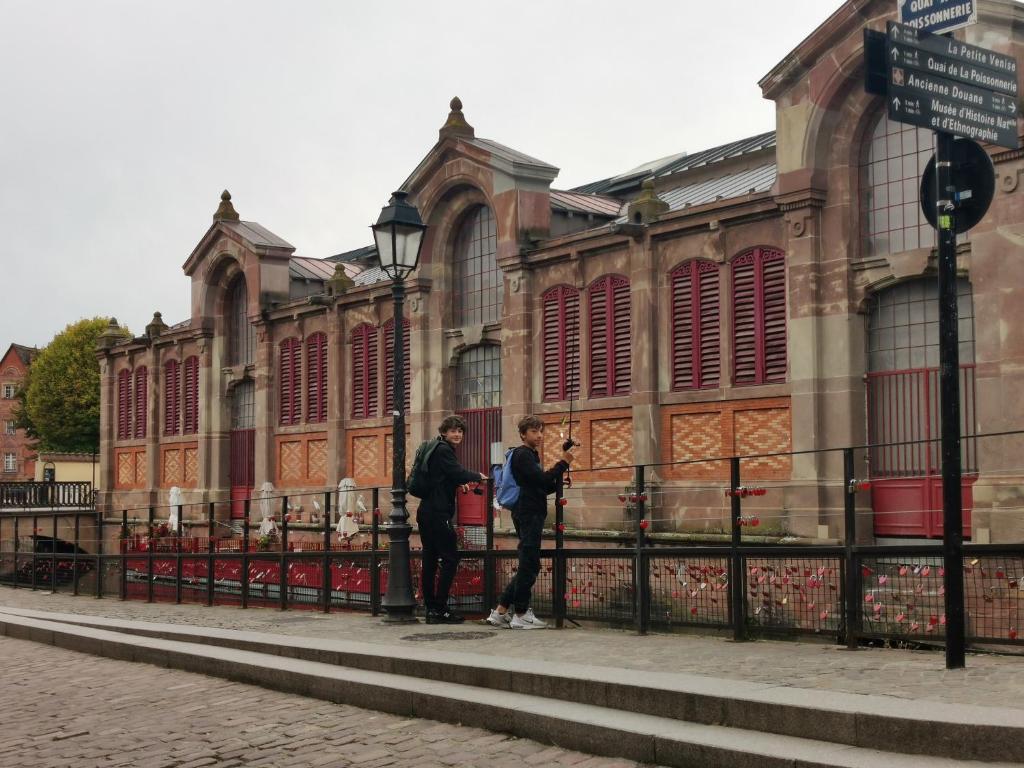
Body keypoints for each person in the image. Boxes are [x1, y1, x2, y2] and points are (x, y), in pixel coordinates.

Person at [487, 415, 574, 630]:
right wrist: (563, 462)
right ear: (523, 434)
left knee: (529, 562)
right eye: (534, 431)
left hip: (528, 510)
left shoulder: (529, 456)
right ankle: (521, 614)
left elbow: (539, 486)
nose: (539, 435)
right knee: (529, 563)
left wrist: (558, 482)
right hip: (529, 513)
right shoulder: (523, 454)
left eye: (541, 431)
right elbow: (542, 480)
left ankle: (500, 611)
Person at [417, 414, 488, 624]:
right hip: (439, 514)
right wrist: (477, 476)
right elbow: (456, 471)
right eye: (453, 431)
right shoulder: (444, 450)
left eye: (460, 431)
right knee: (450, 559)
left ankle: (431, 609)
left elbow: (443, 476)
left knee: (430, 560)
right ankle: (441, 608)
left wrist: (457, 483)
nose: (457, 435)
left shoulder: (435, 448)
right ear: (444, 432)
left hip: (426, 512)